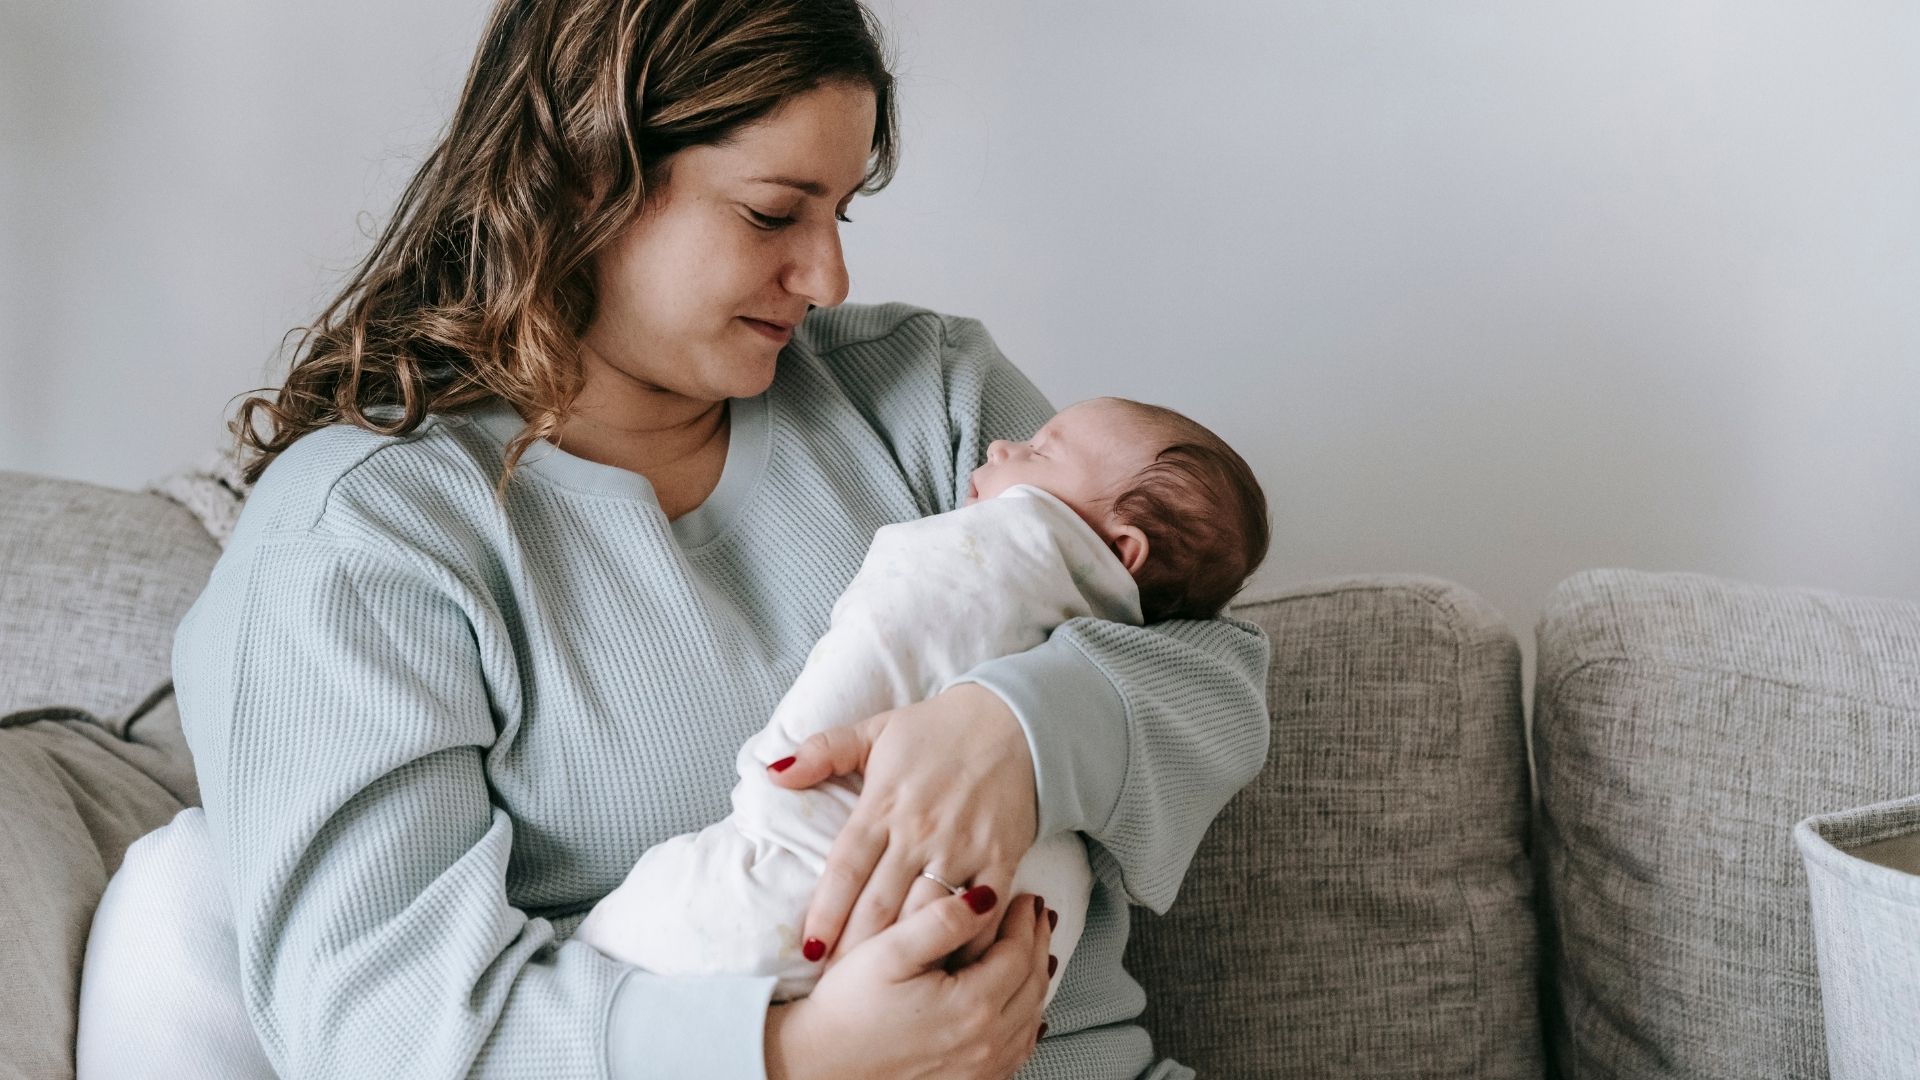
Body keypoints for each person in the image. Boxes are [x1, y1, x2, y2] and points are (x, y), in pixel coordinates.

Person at [74, 1, 1272, 1077]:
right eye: (772, 213)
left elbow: (1217, 673)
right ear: (585, 178)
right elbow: (382, 1016)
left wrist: (1016, 734)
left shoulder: (927, 401)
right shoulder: (369, 536)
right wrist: (790, 1053)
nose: (826, 272)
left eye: (841, 210)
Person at [573, 397, 1270, 1007]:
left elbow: (1232, 680)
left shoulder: (993, 509)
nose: (1004, 446)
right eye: (771, 231)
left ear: (1123, 550)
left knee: (633, 927)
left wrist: (1015, 726)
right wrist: (804, 1055)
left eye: (1037, 450)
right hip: (896, 995)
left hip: (864, 919)